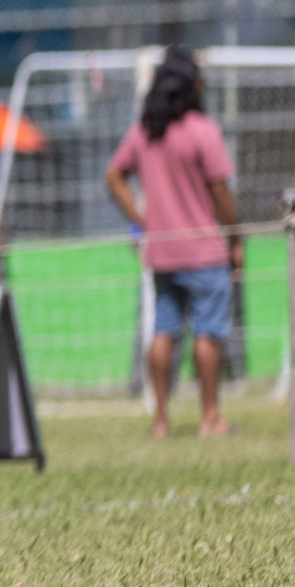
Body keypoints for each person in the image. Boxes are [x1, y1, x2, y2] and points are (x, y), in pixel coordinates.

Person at [105, 47, 240, 439]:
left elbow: (113, 176)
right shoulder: (202, 130)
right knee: (207, 333)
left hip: (161, 252)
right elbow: (221, 192)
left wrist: (141, 219)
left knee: (163, 332)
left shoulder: (145, 132)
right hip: (204, 251)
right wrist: (236, 235)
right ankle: (210, 417)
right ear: (192, 85)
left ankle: (161, 420)